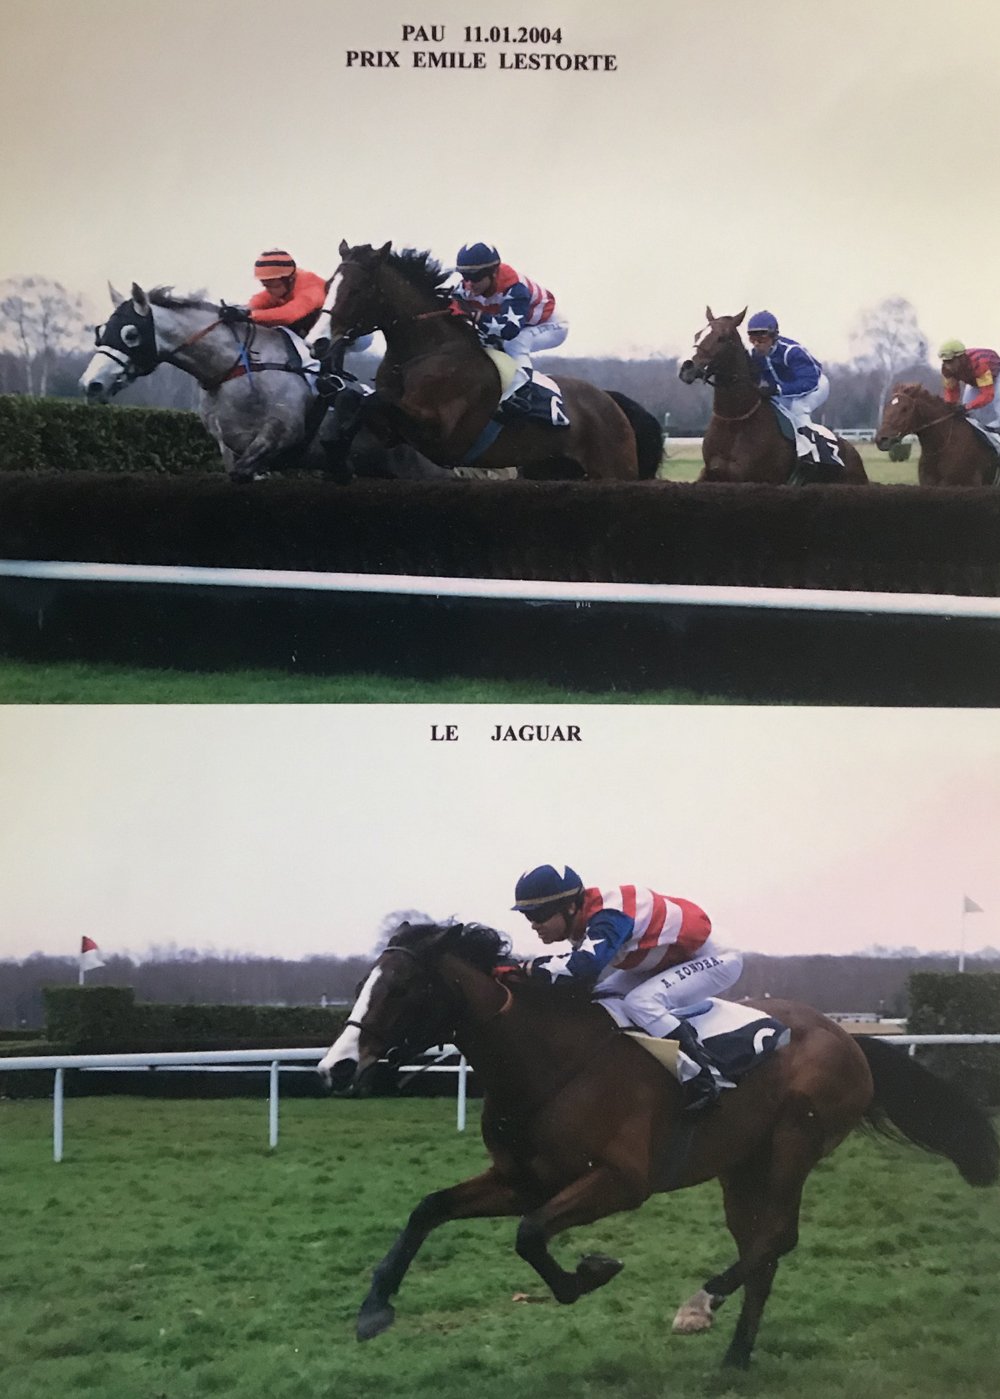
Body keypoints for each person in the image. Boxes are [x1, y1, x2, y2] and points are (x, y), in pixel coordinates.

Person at [508, 863, 744, 1110]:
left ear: (570, 907)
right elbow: (579, 981)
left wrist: (525, 969)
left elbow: (584, 966)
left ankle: (703, 1078)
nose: (533, 925)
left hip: (715, 957)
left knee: (640, 1003)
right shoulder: (582, 919)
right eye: (527, 917)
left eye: (539, 915)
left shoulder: (610, 915)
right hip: (668, 958)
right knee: (600, 999)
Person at [450, 242, 569, 414]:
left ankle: (523, 392)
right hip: (520, 325)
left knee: (516, 342)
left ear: (493, 273)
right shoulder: (464, 289)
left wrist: (477, 316)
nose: (469, 284)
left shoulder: (515, 288)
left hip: (551, 325)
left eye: (475, 278)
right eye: (464, 276)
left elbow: (509, 330)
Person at [746, 310, 830, 432]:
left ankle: (811, 441)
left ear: (774, 336)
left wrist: (778, 389)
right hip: (785, 390)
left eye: (761, 339)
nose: (756, 344)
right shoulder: (756, 356)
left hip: (816, 386)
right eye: (752, 339)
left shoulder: (791, 351)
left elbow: (808, 382)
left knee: (798, 407)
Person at [938, 340, 1000, 431]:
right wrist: (950, 407)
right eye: (945, 361)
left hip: (996, 376)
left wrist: (967, 407)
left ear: (961, 358)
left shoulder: (980, 364)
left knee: (998, 401)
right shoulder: (946, 370)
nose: (948, 366)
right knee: (968, 411)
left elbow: (988, 394)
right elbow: (951, 392)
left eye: (950, 361)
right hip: (975, 381)